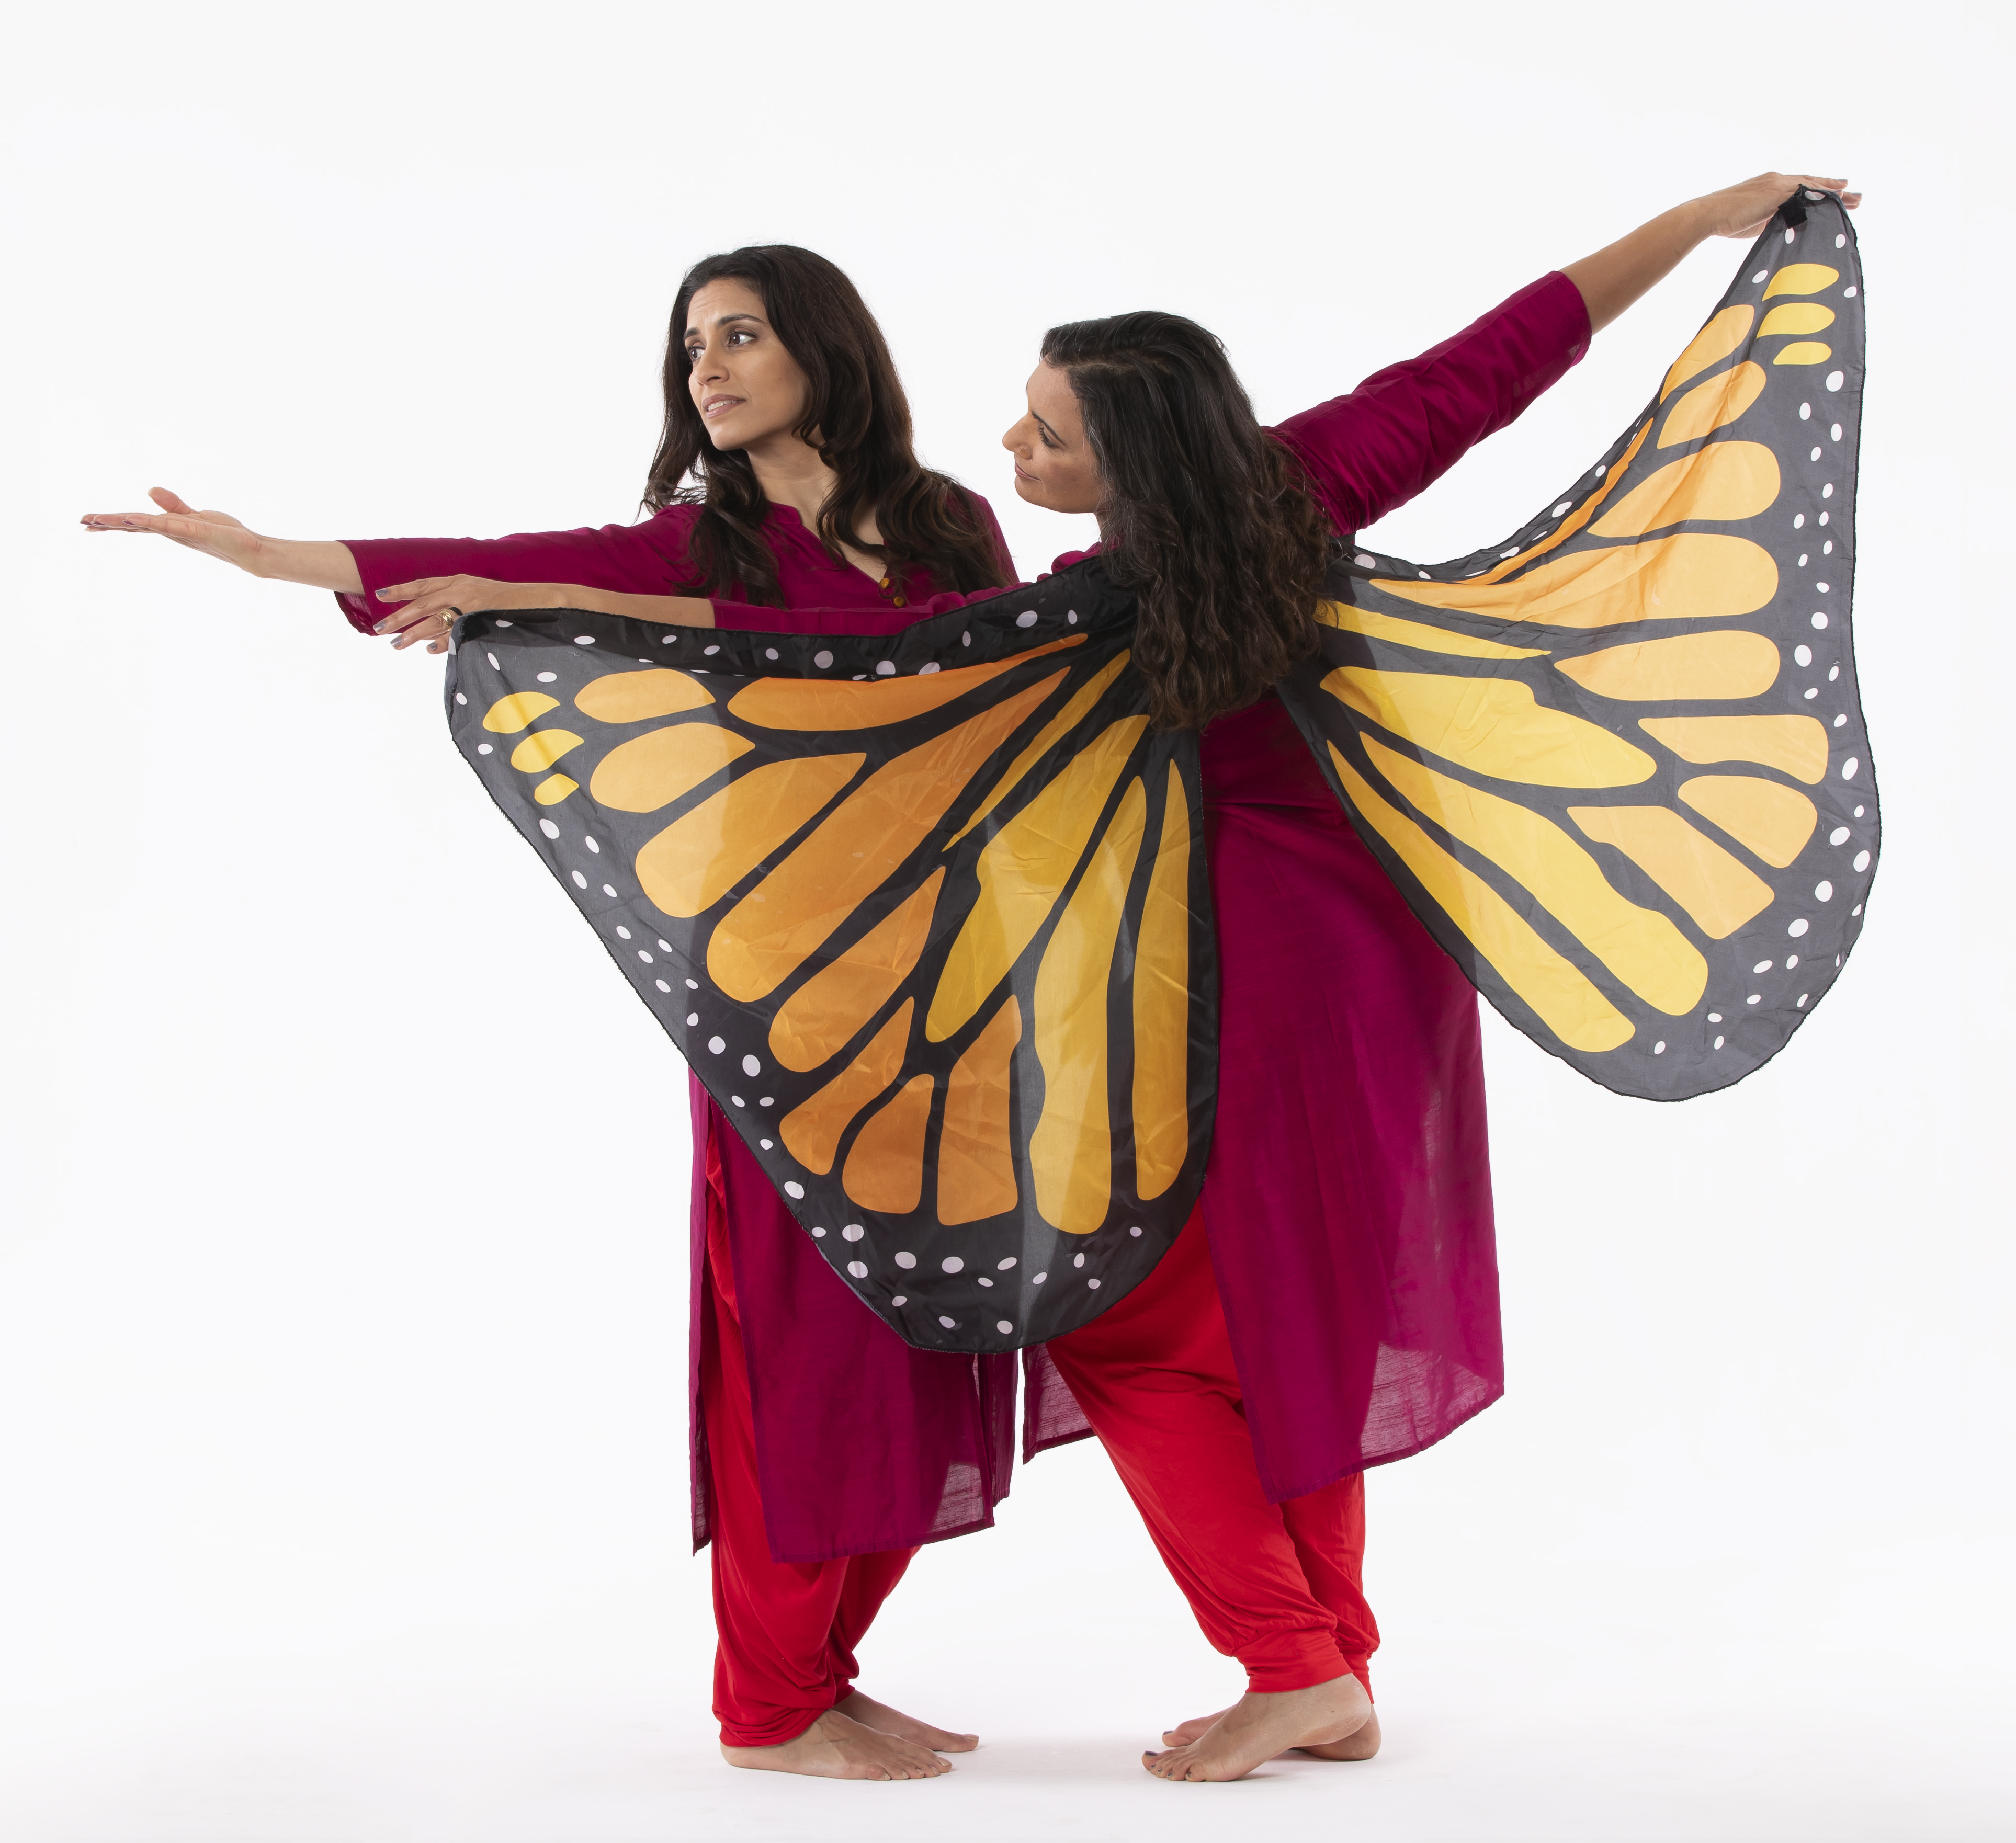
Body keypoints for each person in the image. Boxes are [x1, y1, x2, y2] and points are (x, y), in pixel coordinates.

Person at [363, 170, 1854, 1784]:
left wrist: (533, 601)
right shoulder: (1302, 483)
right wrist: (1708, 222)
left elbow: (838, 672)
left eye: (1044, 432)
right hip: (1379, 975)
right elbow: (1498, 357)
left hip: (1211, 990)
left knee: (1125, 1319)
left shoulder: (1085, 609)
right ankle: (1331, 1656)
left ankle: (1290, 1662)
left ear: (1122, 458)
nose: (1011, 453)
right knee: (1289, 1323)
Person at [83, 245, 1020, 1783]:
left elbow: (996, 692)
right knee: (803, 1334)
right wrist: (263, 552)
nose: (707, 367)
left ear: (825, 352)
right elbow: (484, 550)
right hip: (781, 990)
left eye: (740, 335)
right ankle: (769, 1703)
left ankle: (824, 1664)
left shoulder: (947, 524)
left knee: (925, 1323)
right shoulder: (694, 539)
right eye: (690, 345)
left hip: (945, 980)